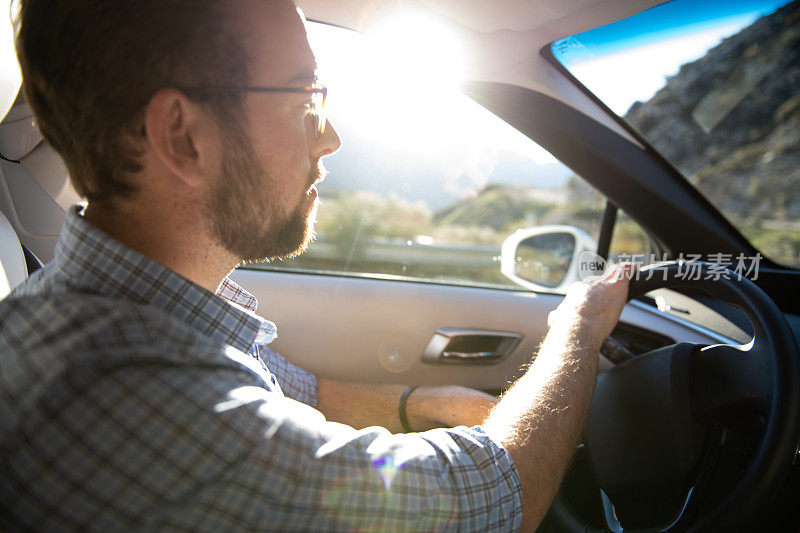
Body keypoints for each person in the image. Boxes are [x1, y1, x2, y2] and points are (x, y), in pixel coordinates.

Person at [0, 0, 633, 530]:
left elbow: (304, 391)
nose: (329, 138)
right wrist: (579, 326)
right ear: (181, 135)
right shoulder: (138, 397)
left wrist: (426, 402)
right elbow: (505, 496)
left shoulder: (119, 308)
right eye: (306, 95)